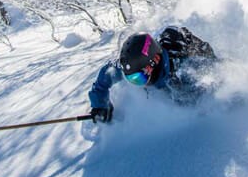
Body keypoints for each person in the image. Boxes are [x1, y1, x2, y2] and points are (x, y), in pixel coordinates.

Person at [88, 25, 217, 123]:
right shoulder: (133, 65)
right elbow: (108, 73)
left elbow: (209, 94)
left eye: (139, 79)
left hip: (194, 56)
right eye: (132, 79)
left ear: (154, 63)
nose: (138, 84)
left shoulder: (182, 74)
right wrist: (100, 104)